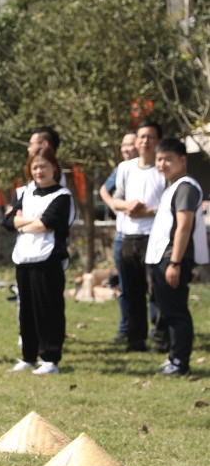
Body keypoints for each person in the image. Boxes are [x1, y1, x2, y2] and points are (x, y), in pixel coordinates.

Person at [2, 147, 74, 375]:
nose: (39, 171)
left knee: (48, 308)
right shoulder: (25, 192)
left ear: (54, 168)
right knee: (27, 309)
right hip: (24, 258)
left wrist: (23, 222)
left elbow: (48, 223)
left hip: (48, 258)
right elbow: (7, 221)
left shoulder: (62, 196)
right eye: (35, 167)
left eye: (44, 166)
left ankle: (50, 358)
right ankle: (28, 356)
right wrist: (29, 221)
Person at [147, 138, 209, 376]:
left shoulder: (186, 186)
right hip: (163, 258)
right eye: (159, 159)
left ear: (182, 160)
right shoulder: (172, 186)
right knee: (168, 310)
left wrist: (175, 262)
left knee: (176, 312)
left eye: (168, 159)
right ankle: (174, 358)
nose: (162, 164)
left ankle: (180, 363)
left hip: (173, 259)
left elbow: (184, 227)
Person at [112, 120, 167, 353]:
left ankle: (162, 340)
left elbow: (170, 202)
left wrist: (149, 211)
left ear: (158, 141)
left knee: (157, 291)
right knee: (132, 292)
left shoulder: (163, 169)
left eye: (150, 137)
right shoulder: (126, 168)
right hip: (129, 236)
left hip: (154, 238)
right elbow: (116, 199)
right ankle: (135, 341)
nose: (145, 141)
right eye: (141, 137)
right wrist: (128, 205)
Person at [98, 132, 139, 345]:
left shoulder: (151, 169)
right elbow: (104, 190)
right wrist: (114, 205)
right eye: (123, 145)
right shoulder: (120, 170)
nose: (126, 149)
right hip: (123, 234)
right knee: (125, 285)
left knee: (149, 287)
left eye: (130, 144)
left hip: (145, 235)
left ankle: (154, 330)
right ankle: (126, 328)